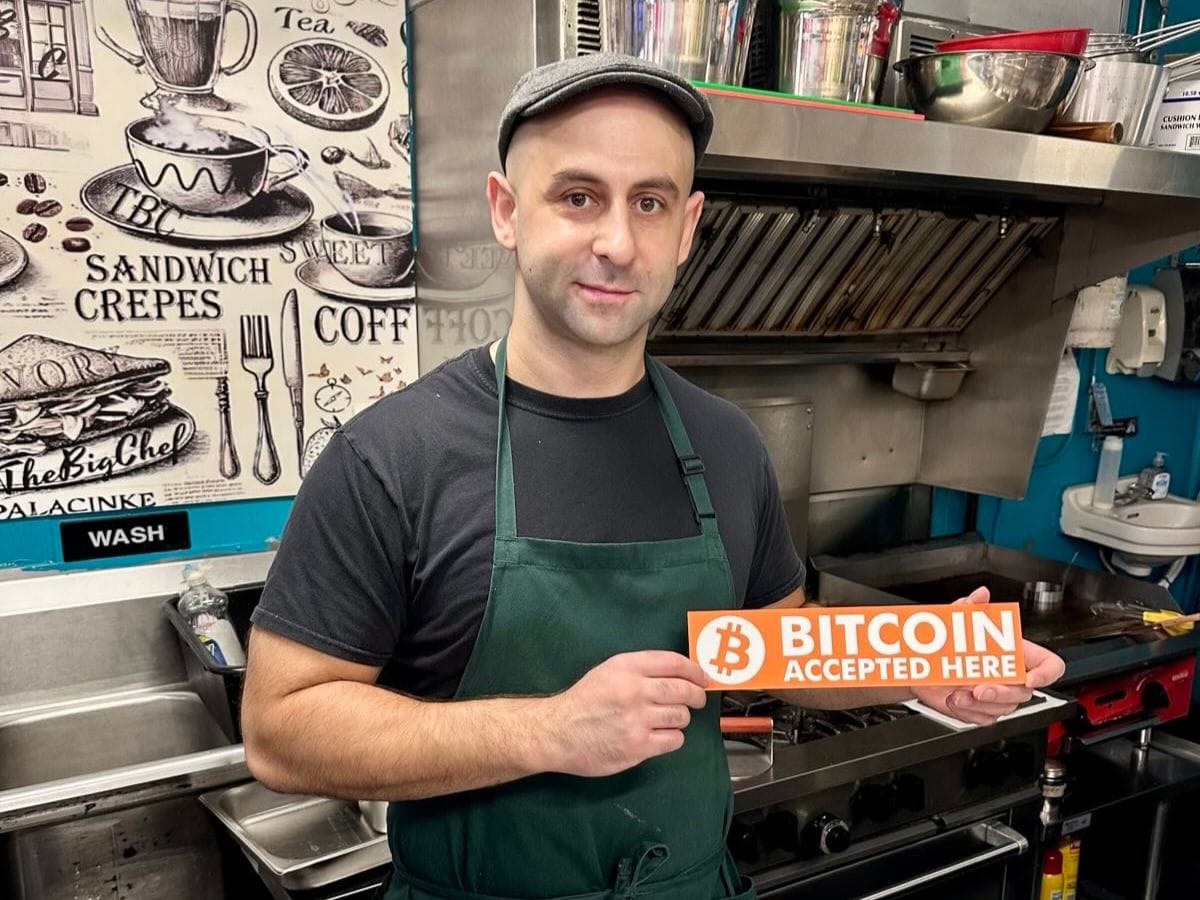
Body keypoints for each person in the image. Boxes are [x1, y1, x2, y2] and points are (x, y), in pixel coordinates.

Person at [242, 52, 1066, 900]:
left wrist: (919, 660)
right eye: (578, 197)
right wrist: (550, 731)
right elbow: (280, 731)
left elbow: (772, 646)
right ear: (506, 211)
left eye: (649, 202)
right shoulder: (392, 457)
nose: (617, 244)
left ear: (687, 227)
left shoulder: (727, 443)